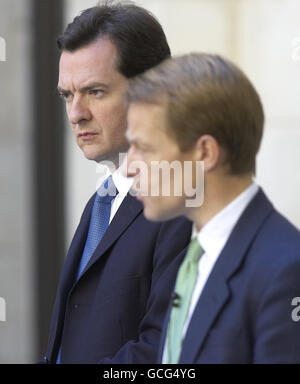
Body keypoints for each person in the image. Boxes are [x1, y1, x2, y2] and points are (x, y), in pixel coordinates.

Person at [41, 2, 192, 364]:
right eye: (67, 95)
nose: (76, 113)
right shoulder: (103, 201)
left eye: (95, 91)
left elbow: (167, 354)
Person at [125, 53, 300, 363]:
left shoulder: (286, 270)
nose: (129, 168)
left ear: (205, 152)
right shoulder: (194, 255)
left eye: (145, 148)